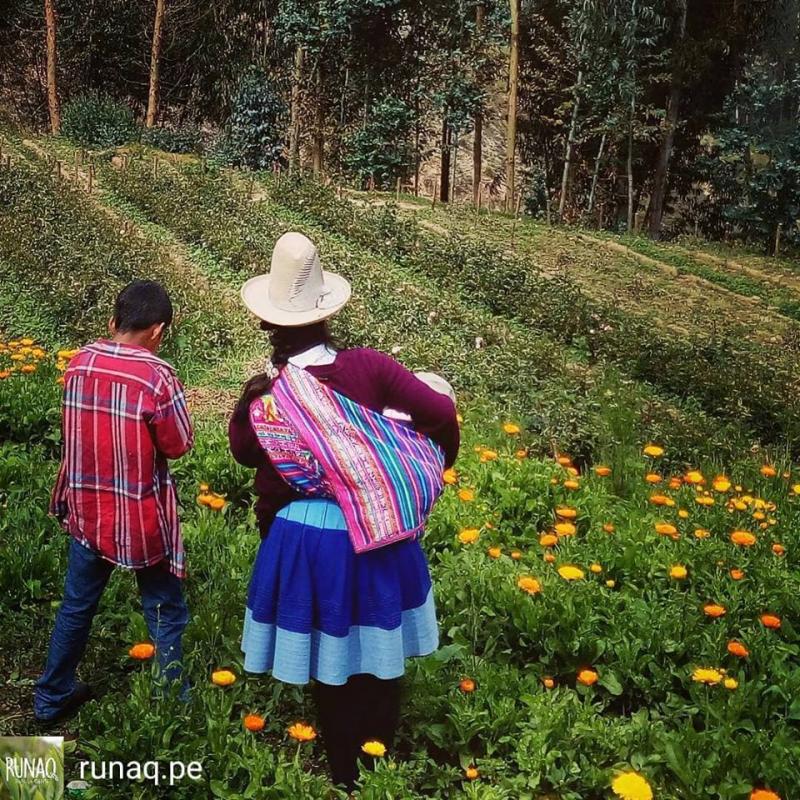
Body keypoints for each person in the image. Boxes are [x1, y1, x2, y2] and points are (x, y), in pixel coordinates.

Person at [229, 232, 459, 790]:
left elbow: (243, 453)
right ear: (329, 313)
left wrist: (252, 400)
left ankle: (343, 772)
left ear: (268, 325)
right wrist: (423, 466)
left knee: (329, 653)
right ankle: (378, 760)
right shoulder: (372, 369)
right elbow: (439, 413)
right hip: (378, 531)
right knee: (380, 642)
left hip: (304, 535)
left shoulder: (266, 393)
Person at [34, 280, 194, 723]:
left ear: (112, 321)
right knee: (164, 607)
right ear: (159, 330)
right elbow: (178, 444)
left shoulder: (80, 362)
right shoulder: (158, 377)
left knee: (77, 604)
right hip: (138, 515)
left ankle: (51, 697)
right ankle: (171, 706)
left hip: (87, 510)